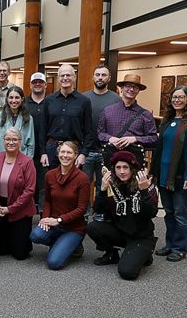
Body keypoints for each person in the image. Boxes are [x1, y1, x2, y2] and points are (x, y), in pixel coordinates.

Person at [151, 86, 187, 262]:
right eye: (174, 97)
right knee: (168, 211)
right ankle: (170, 244)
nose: (177, 100)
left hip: (182, 176)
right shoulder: (167, 120)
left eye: (181, 97)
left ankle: (180, 248)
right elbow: (161, 148)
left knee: (180, 213)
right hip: (165, 175)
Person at [87, 151, 158, 280]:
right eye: (118, 168)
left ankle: (145, 254)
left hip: (141, 236)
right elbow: (98, 209)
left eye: (125, 167)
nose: (122, 171)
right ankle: (111, 254)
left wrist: (144, 192)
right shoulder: (112, 184)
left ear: (132, 169)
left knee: (127, 272)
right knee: (93, 227)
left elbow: (152, 213)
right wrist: (102, 190)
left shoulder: (145, 183)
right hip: (120, 231)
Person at [29, 141, 90, 270]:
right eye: (62, 152)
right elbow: (47, 201)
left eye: (69, 152)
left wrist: (59, 220)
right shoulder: (49, 175)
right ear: (58, 154)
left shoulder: (82, 178)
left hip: (74, 228)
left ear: (75, 155)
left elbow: (82, 209)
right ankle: (61, 243)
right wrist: (45, 219)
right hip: (54, 224)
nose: (65, 155)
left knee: (54, 263)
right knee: (35, 235)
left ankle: (75, 244)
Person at [0, 127, 36, 260]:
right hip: (0, 206)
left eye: (14, 139)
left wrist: (10, 209)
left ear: (20, 141)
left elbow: (30, 190)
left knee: (20, 254)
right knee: (1, 251)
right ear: (3, 141)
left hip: (20, 208)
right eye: (8, 139)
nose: (11, 142)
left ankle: (23, 242)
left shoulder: (27, 161)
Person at [83, 65, 121, 222]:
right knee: (83, 186)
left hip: (107, 152)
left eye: (103, 75)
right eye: (97, 74)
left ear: (109, 78)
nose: (100, 77)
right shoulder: (84, 98)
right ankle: (83, 216)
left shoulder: (116, 100)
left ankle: (100, 216)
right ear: (93, 77)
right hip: (86, 151)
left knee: (103, 186)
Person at [40, 63, 94, 170]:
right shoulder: (49, 100)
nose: (65, 78)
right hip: (52, 149)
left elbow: (89, 130)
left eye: (68, 75)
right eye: (62, 75)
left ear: (74, 78)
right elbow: (43, 128)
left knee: (73, 183)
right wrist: (43, 152)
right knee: (51, 182)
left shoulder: (84, 101)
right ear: (58, 78)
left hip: (74, 149)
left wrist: (84, 153)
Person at [98, 73, 158, 158]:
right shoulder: (107, 111)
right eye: (128, 86)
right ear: (122, 88)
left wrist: (135, 139)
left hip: (134, 160)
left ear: (138, 91)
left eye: (135, 87)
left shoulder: (146, 114)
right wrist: (110, 138)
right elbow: (100, 133)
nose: (132, 89)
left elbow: (153, 138)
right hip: (111, 158)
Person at [24, 72, 48, 212]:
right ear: (30, 85)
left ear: (45, 84)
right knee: (28, 182)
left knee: (44, 184)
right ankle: (28, 210)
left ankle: (43, 214)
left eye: (40, 82)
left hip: (45, 150)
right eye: (35, 82)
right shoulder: (24, 103)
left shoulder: (51, 102)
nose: (37, 84)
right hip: (27, 150)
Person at [0, 86, 35, 157]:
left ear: (22, 99)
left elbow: (31, 144)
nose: (14, 101)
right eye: (11, 97)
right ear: (7, 99)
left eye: (17, 98)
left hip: (21, 160)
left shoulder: (28, 119)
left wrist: (28, 161)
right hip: (2, 158)